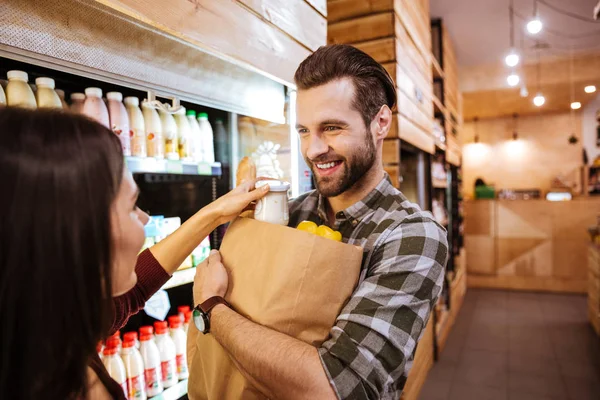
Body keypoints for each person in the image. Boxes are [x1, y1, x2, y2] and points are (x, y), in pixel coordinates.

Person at [190, 44, 448, 399]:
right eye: (303, 131)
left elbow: (336, 388)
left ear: (381, 122)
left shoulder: (413, 235)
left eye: (331, 127)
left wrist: (212, 308)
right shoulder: (288, 215)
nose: (313, 149)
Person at [0, 108, 269, 399]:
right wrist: (211, 306)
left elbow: (136, 286)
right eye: (131, 206)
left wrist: (215, 214)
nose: (144, 218)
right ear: (77, 230)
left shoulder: (45, 332)